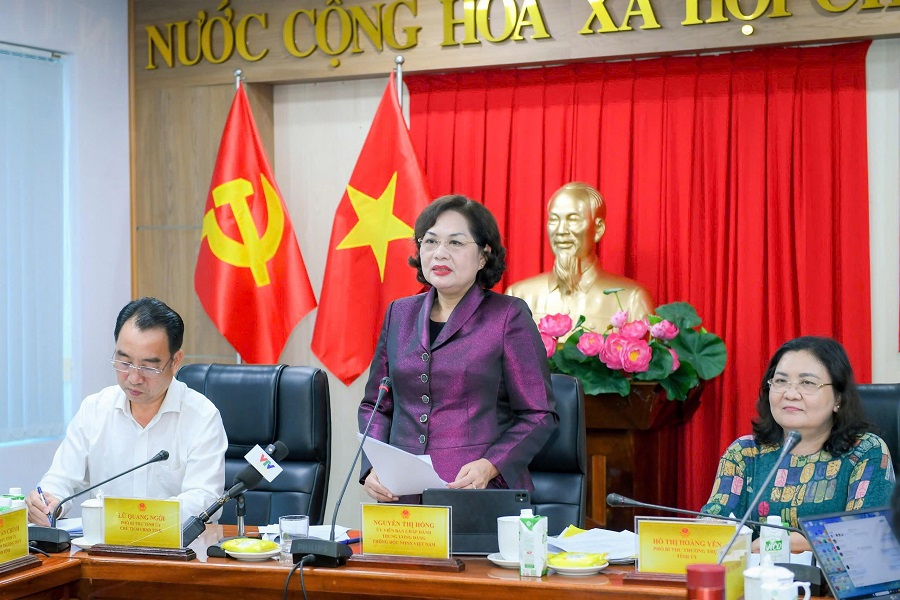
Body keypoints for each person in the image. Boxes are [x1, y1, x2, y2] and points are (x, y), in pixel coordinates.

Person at [359, 195, 559, 501]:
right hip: (402, 498)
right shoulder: (399, 314)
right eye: (430, 241)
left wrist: (491, 465)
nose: (440, 253)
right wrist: (373, 465)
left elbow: (539, 413)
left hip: (477, 492)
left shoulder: (508, 316)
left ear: (483, 256)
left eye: (455, 243)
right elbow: (375, 406)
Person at [24, 297, 227, 525]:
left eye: (149, 367)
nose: (134, 378)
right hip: (102, 545)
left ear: (175, 361)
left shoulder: (202, 417)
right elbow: (60, 478)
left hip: (177, 544)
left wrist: (136, 519)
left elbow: (205, 499)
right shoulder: (95, 409)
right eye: (124, 362)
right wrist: (48, 503)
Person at [701, 336, 895, 551]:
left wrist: (778, 544)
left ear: (838, 399)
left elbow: (867, 535)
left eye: (807, 383)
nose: (790, 394)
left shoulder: (864, 451)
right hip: (754, 572)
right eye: (780, 381)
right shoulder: (744, 454)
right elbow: (714, 529)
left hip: (830, 573)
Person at [505, 181, 653, 335]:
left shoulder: (632, 299)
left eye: (573, 219)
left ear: (598, 229)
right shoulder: (519, 296)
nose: (560, 230)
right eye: (554, 219)